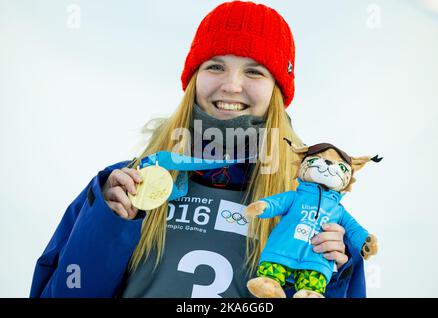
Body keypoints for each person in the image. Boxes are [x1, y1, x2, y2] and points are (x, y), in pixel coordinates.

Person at [30, 1, 366, 298]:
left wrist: (330, 278)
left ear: (276, 91)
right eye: (215, 66)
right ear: (193, 79)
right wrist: (105, 222)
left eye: (254, 71)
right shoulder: (124, 183)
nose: (231, 85)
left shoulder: (308, 207)